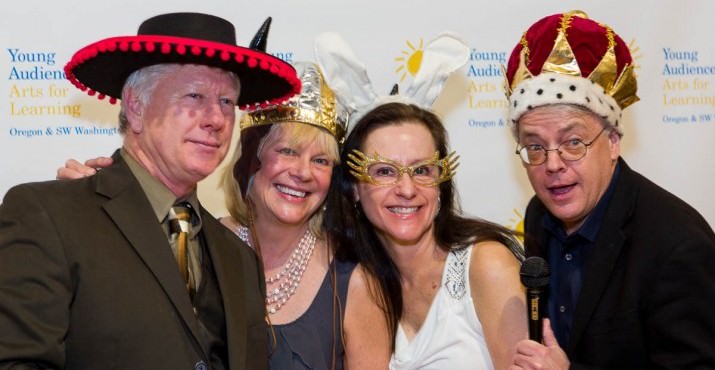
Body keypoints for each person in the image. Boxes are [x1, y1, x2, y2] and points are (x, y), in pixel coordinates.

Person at [0, 12, 300, 369]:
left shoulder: (239, 257)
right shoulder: (47, 216)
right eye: (194, 95)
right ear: (136, 107)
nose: (216, 119)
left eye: (226, 103)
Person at [55, 62, 391, 369]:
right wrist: (95, 206)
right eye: (287, 151)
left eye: (321, 161)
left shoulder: (355, 282)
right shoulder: (195, 239)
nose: (303, 172)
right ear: (250, 161)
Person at [504, 11, 715, 369]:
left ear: (613, 141)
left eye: (573, 142)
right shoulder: (539, 214)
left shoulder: (677, 246)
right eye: (535, 147)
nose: (552, 165)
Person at [326, 101, 526, 370]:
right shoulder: (355, 283)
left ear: (441, 185)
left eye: (422, 170)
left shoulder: (487, 265)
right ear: (354, 189)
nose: (407, 189)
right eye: (384, 171)